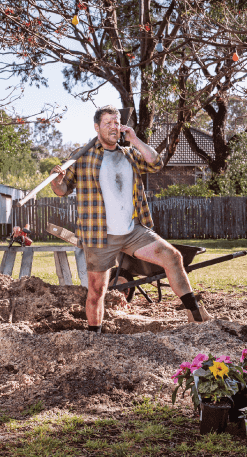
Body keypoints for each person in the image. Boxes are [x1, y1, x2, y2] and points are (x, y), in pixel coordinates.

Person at [50, 105, 212, 332]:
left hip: (132, 231)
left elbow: (156, 163)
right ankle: (93, 336)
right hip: (100, 236)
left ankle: (195, 314)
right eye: (108, 123)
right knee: (97, 290)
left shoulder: (130, 154)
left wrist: (134, 139)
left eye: (116, 123)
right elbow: (62, 190)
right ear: (97, 127)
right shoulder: (81, 157)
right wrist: (56, 180)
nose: (113, 127)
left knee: (173, 256)